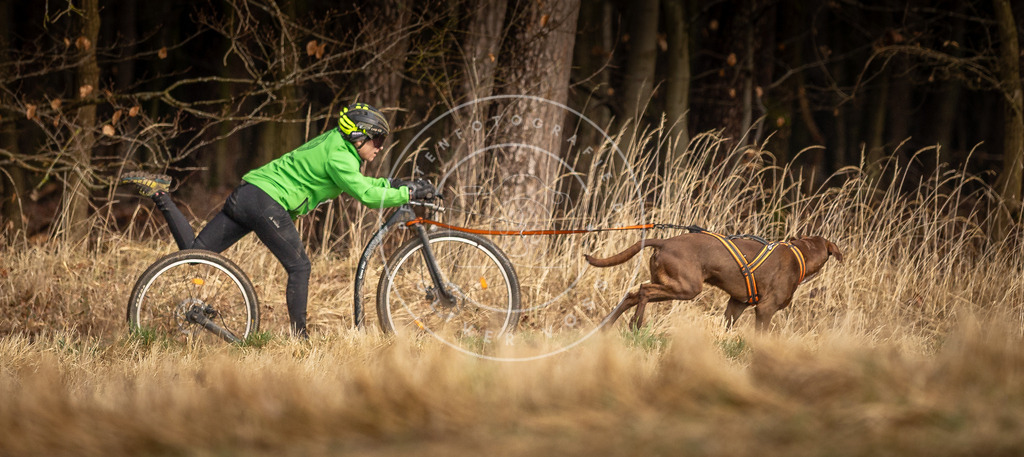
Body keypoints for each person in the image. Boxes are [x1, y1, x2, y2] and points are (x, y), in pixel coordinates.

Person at [121, 102, 436, 338]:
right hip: (266, 203)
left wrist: (397, 185)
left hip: (249, 195)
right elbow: (367, 196)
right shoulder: (340, 156)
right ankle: (301, 341)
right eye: (377, 141)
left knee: (194, 253)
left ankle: (160, 195)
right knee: (300, 266)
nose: (380, 148)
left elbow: (366, 185)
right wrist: (406, 194)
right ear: (358, 137)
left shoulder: (336, 145)